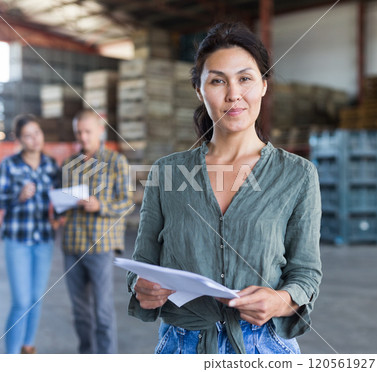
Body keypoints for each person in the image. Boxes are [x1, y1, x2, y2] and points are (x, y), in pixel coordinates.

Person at [126, 22, 322, 354]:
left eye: (245, 79)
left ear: (263, 85)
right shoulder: (167, 172)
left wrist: (280, 300)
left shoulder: (298, 175)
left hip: (264, 346)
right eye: (218, 81)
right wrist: (142, 287)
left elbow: (305, 273)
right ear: (200, 91)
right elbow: (143, 259)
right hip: (181, 345)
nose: (233, 94)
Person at [61, 109, 132, 354]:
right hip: (72, 245)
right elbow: (62, 203)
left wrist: (100, 205)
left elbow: (126, 202)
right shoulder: (68, 164)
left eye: (88, 131)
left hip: (100, 247)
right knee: (80, 313)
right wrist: (59, 206)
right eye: (78, 132)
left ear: (101, 131)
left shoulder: (116, 162)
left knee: (102, 312)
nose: (83, 137)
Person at [0, 114, 60, 354]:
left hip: (43, 240)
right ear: (19, 139)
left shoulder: (51, 165)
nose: (34, 139)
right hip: (17, 240)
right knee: (21, 301)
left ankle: (28, 349)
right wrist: (18, 197)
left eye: (37, 133)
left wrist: (58, 218)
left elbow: (61, 199)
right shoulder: (9, 165)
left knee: (36, 299)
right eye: (28, 136)